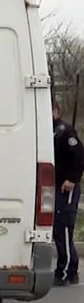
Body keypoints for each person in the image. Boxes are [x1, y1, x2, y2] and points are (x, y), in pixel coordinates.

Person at [52, 100, 84, 286]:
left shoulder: (65, 131)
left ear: (55, 110)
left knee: (63, 227)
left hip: (66, 187)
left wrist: (72, 179)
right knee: (60, 229)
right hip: (56, 186)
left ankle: (65, 272)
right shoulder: (53, 130)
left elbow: (80, 156)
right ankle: (71, 270)